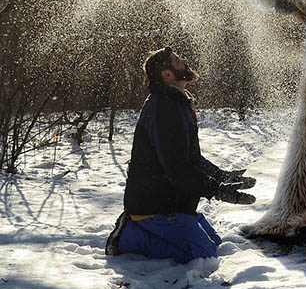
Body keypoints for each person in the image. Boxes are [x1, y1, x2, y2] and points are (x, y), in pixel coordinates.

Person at [105, 46, 256, 263]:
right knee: (203, 254)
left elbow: (190, 159)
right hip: (154, 207)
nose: (184, 61)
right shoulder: (164, 107)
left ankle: (163, 227)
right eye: (177, 61)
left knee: (215, 243)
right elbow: (177, 168)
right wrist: (217, 191)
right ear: (167, 75)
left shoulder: (176, 102)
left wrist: (222, 176)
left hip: (174, 203)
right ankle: (129, 237)